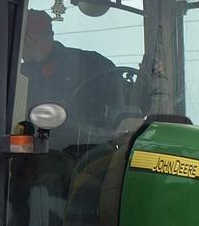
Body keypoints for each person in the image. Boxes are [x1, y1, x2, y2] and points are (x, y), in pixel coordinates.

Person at [18, 8, 123, 145]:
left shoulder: (93, 64)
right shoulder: (17, 74)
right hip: (33, 148)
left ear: (29, 37)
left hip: (89, 147)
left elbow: (120, 108)